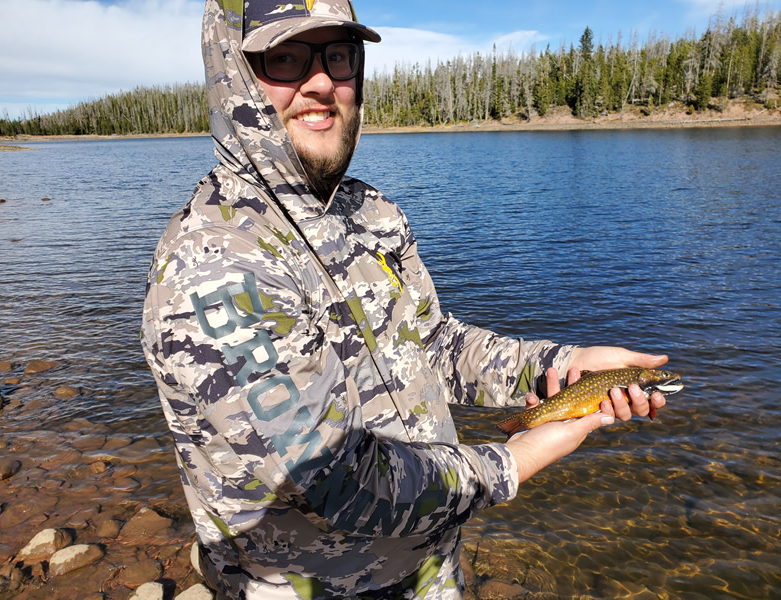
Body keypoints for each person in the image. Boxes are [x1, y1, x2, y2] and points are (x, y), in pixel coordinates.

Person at [141, 1, 669, 598]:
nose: (320, 83)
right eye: (284, 59)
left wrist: (558, 367)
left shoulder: (371, 214)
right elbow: (340, 485)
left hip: (432, 577)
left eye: (337, 57)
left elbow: (432, 345)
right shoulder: (216, 267)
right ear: (231, 73)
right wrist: (515, 458)